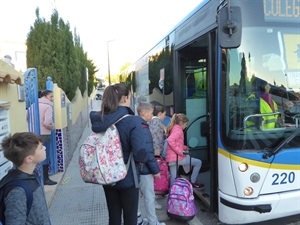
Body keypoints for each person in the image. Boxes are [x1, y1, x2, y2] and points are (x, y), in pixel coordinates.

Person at [90, 83, 148, 225]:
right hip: (128, 177)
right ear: (124, 99)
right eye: (128, 97)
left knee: (114, 217)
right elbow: (140, 153)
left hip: (107, 176)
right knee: (130, 218)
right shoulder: (132, 121)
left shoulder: (100, 120)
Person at [0, 132, 51, 224]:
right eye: (40, 148)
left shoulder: (33, 174)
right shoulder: (17, 190)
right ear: (29, 159)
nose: (45, 148)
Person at [137, 102, 165, 225]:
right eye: (150, 113)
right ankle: (153, 222)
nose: (152, 115)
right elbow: (148, 152)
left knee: (137, 197)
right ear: (144, 113)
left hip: (136, 168)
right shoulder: (143, 128)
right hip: (144, 168)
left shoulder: (136, 125)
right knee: (149, 196)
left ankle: (138, 220)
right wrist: (155, 170)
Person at [165, 113, 204, 189]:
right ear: (181, 123)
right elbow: (170, 140)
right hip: (177, 158)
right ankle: (193, 181)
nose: (186, 126)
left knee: (173, 176)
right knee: (198, 162)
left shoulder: (173, 128)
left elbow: (175, 142)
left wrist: (184, 147)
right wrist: (180, 151)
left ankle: (173, 193)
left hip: (171, 158)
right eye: (186, 124)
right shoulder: (178, 130)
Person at [38, 90, 57, 185]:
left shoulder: (35, 105)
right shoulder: (48, 106)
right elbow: (47, 122)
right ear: (45, 96)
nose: (52, 99)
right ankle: (46, 179)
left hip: (35, 133)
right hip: (45, 135)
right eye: (51, 96)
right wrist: (53, 126)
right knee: (45, 156)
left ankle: (39, 177)